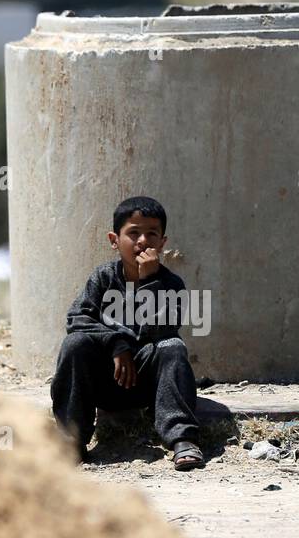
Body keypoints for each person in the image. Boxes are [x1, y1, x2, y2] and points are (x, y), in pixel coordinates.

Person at [51, 196, 204, 470]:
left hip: (148, 385)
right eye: (133, 233)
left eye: (151, 234)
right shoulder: (103, 278)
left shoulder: (170, 283)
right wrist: (116, 344)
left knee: (172, 347)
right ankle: (71, 441)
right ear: (114, 240)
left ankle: (182, 438)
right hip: (105, 380)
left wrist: (149, 282)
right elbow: (77, 318)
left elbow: (163, 329)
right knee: (75, 344)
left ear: (162, 243)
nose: (143, 241)